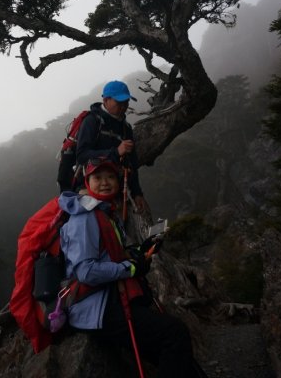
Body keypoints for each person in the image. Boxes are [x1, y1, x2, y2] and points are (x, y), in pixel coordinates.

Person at [58, 158, 208, 378]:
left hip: (109, 299)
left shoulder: (106, 213)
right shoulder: (84, 218)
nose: (105, 182)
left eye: (110, 177)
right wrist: (130, 268)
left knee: (169, 351)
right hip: (94, 308)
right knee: (174, 334)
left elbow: (114, 255)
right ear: (87, 182)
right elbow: (86, 272)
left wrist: (141, 251)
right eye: (97, 177)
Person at [76, 80, 147, 212]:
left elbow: (131, 164)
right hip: (90, 187)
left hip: (115, 188)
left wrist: (137, 193)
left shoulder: (126, 128)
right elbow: (82, 155)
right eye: (119, 102)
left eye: (126, 102)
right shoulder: (92, 121)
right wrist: (115, 152)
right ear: (106, 100)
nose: (124, 106)